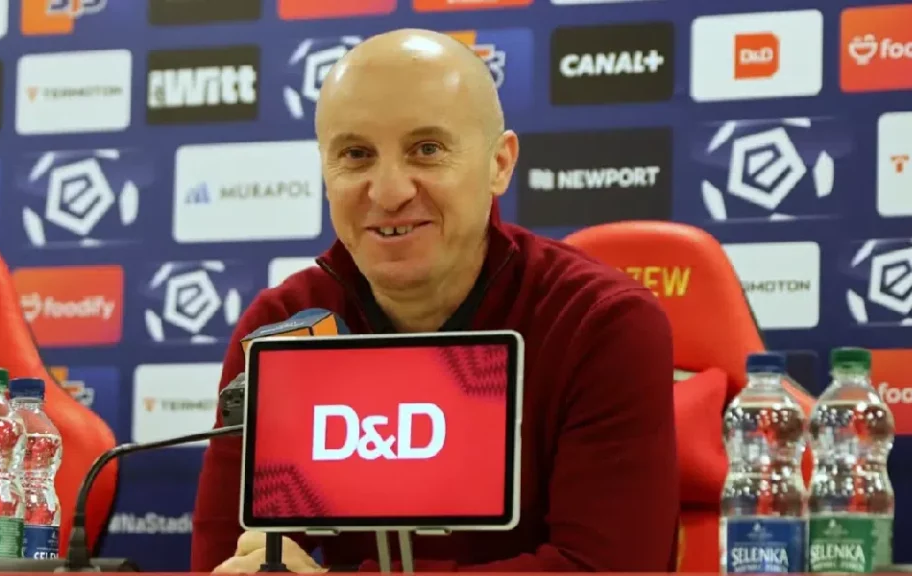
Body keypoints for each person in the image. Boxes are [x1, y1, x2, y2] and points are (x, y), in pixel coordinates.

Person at [194, 28, 679, 573]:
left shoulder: (599, 323)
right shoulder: (283, 329)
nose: (389, 192)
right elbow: (231, 559)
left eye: (427, 149)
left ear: (500, 164)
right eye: (356, 154)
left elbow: (603, 568)